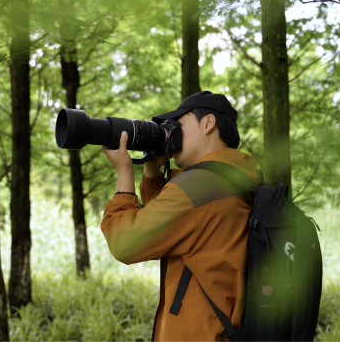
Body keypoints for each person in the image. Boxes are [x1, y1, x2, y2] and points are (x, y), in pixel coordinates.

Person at [100, 91, 259, 341]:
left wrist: (124, 172)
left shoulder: (198, 187)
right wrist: (152, 171)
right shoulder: (235, 178)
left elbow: (125, 243)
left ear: (208, 123)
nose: (172, 132)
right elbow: (173, 230)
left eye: (179, 124)